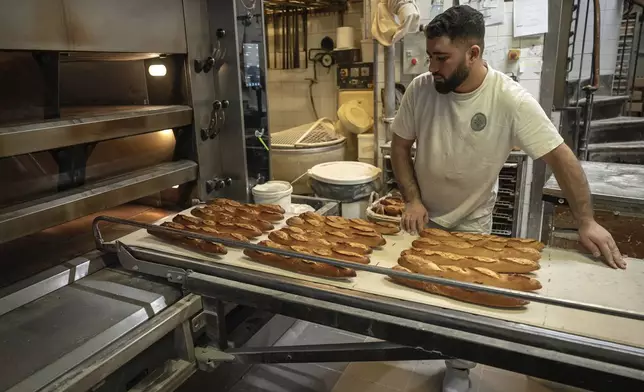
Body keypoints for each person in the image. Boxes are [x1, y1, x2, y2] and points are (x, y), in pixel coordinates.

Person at [390, 5, 626, 392]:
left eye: (441, 58)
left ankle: (459, 368)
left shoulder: (510, 98)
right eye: (430, 56)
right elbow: (400, 148)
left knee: (466, 304)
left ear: (474, 54)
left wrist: (586, 220)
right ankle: (429, 348)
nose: (432, 67)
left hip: (472, 221)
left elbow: (561, 158)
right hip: (424, 217)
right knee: (422, 297)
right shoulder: (421, 90)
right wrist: (412, 199)